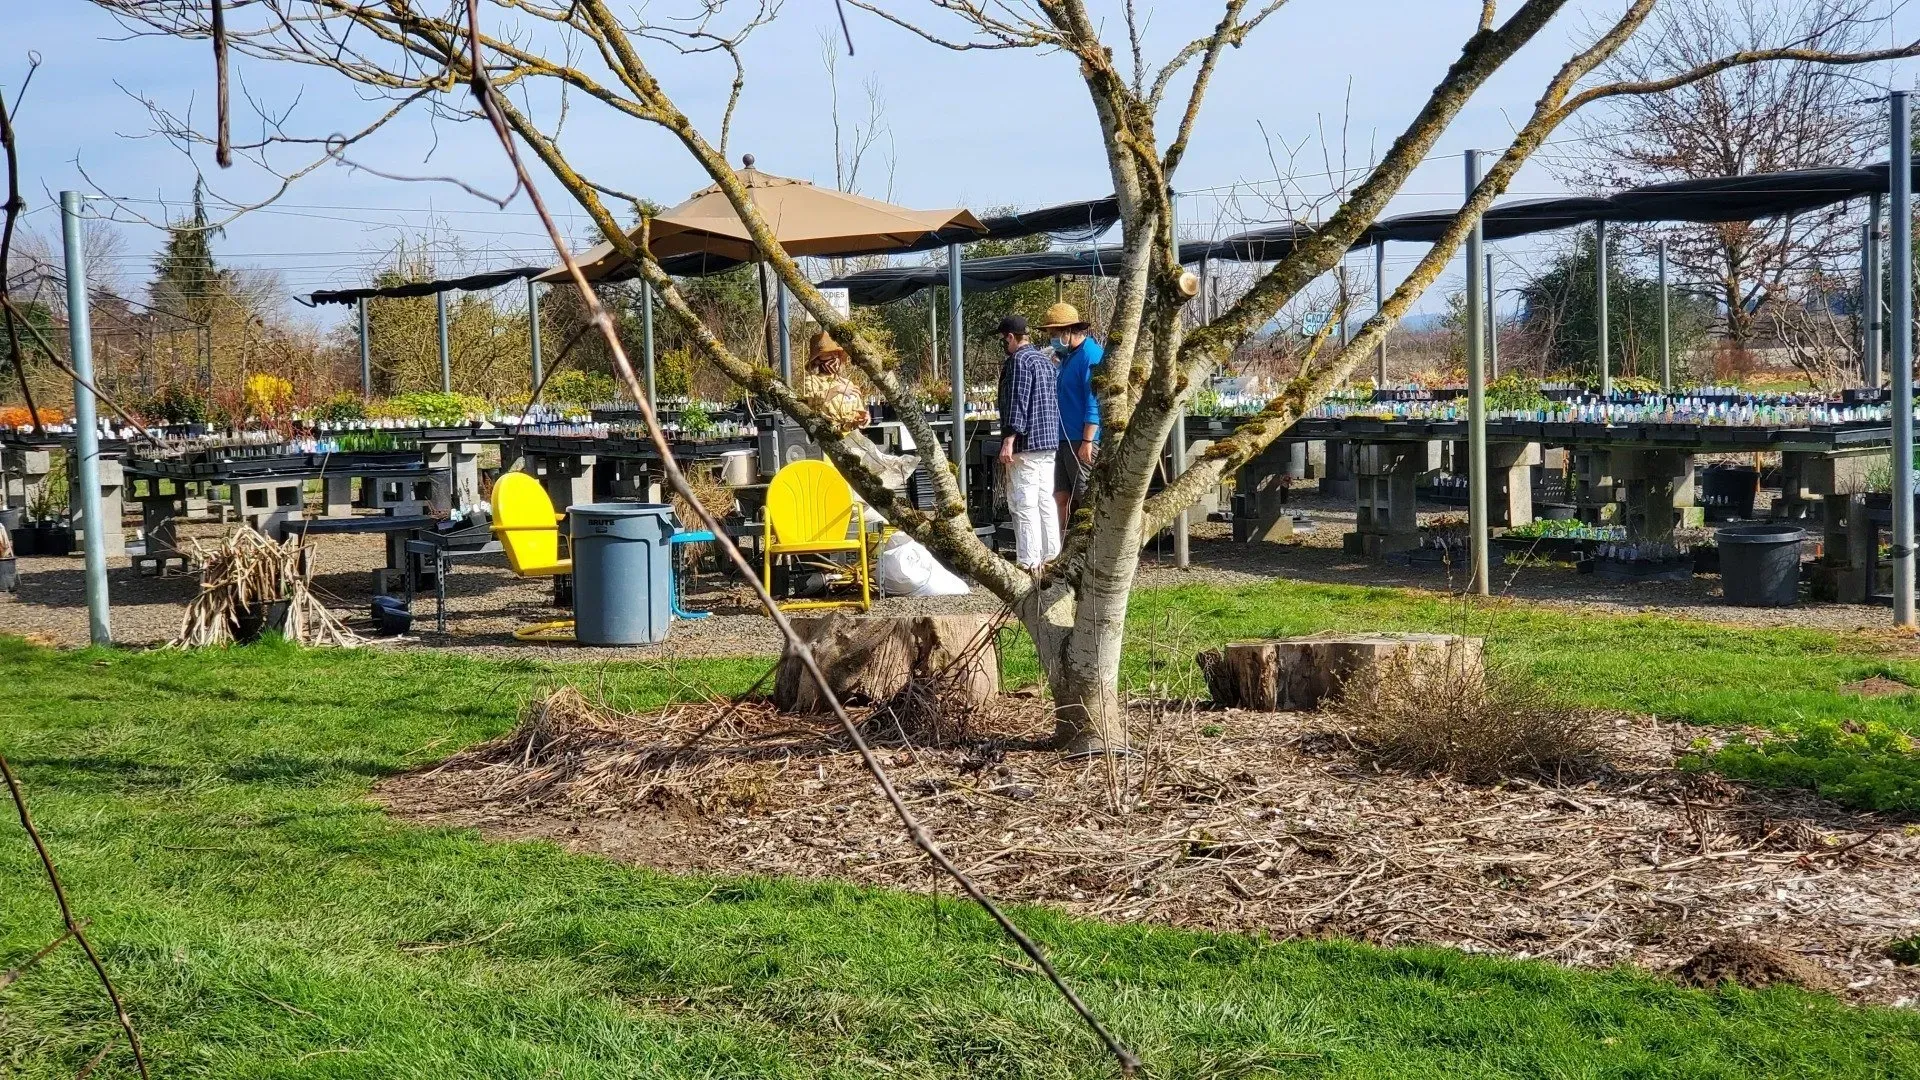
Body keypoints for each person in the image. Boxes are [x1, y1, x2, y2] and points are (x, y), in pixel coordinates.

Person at [991, 314, 1061, 569]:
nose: (1004, 345)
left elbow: (1018, 401)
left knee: (1023, 502)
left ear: (1010, 337)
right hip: (1048, 440)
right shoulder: (1044, 360)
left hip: (1026, 443)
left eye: (1003, 340)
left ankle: (1028, 559)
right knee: (1045, 499)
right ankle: (1051, 555)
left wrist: (1009, 438)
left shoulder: (1019, 360)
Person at [1037, 302, 1101, 531]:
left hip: (1080, 438)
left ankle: (1089, 546)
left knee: (1084, 494)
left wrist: (1087, 440)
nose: (1052, 340)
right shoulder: (1066, 358)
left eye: (1054, 334)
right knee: (1060, 494)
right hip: (1062, 437)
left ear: (1068, 331)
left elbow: (1093, 399)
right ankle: (1059, 544)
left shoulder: (1090, 356)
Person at [800, 330, 870, 433]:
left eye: (836, 353)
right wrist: (837, 390)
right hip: (826, 437)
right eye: (828, 354)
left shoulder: (848, 383)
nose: (834, 357)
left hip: (851, 437)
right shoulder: (812, 381)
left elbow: (857, 412)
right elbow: (810, 404)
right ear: (818, 360)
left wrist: (862, 418)